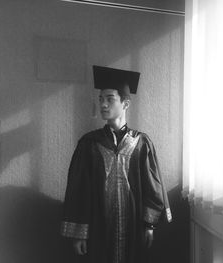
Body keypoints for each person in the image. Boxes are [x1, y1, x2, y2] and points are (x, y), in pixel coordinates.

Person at [60, 65, 172, 263]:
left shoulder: (141, 143)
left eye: (110, 99)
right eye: (101, 99)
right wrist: (79, 233)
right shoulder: (89, 144)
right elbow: (79, 190)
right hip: (98, 226)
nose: (103, 104)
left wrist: (149, 225)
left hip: (134, 226)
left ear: (126, 103)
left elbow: (152, 187)